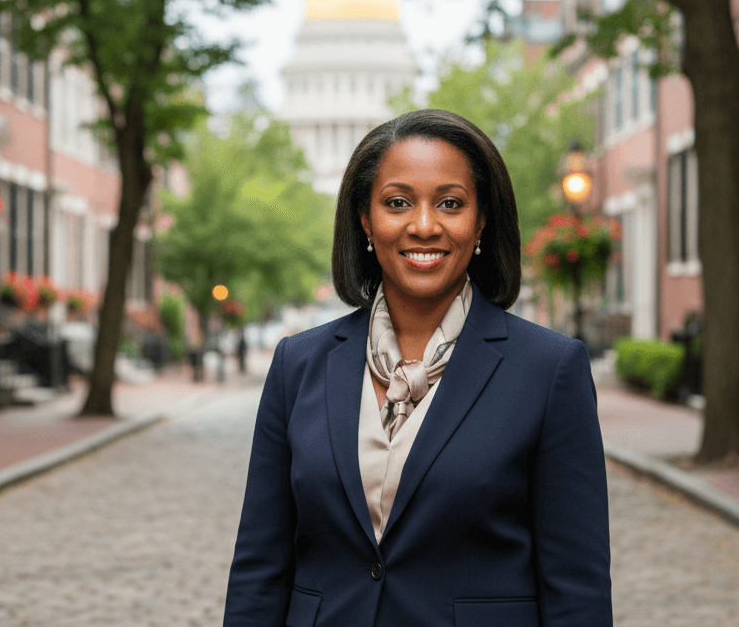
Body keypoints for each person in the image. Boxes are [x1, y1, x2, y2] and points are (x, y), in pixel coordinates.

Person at [224, 109, 612, 627]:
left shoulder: (549, 370)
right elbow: (260, 568)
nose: (424, 226)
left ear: (481, 221)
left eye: (450, 204)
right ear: (365, 219)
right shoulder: (298, 365)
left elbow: (576, 588)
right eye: (398, 203)